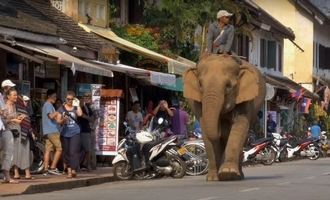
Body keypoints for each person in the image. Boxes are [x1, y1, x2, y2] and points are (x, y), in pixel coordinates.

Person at [58, 91, 83, 178]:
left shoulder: (75, 107)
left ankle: (73, 170)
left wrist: (78, 104)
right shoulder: (61, 108)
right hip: (64, 133)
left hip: (75, 132)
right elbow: (58, 121)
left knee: (73, 151)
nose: (70, 101)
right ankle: (68, 170)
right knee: (66, 152)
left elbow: (80, 114)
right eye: (68, 99)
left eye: (71, 99)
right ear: (65, 99)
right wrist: (63, 120)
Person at [12, 92, 34, 180]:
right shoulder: (16, 109)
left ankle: (25, 173)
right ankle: (18, 173)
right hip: (18, 132)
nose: (26, 103)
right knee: (18, 152)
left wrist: (31, 132)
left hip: (24, 133)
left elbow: (28, 124)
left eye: (27, 101)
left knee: (24, 152)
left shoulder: (25, 110)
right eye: (24, 101)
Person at [42, 89, 64, 176]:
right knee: (59, 149)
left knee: (48, 150)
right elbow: (51, 116)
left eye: (56, 96)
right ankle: (53, 167)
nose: (55, 98)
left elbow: (56, 120)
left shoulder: (49, 105)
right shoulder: (48, 105)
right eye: (54, 96)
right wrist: (58, 111)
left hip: (48, 131)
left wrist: (63, 119)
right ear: (49, 96)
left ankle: (46, 169)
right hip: (52, 130)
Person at [0, 80, 18, 183]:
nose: (10, 89)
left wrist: (13, 118)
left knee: (9, 151)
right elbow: (3, 113)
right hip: (3, 126)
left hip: (4, 127)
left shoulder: (3, 98)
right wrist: (12, 119)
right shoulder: (2, 98)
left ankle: (6, 175)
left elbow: (4, 114)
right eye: (9, 87)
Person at [77, 92, 94, 171]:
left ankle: (88, 165)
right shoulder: (75, 108)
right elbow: (79, 115)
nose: (81, 101)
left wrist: (85, 116)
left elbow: (92, 118)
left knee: (87, 149)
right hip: (77, 131)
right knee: (77, 150)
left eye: (82, 99)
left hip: (85, 131)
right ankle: (77, 166)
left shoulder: (87, 107)